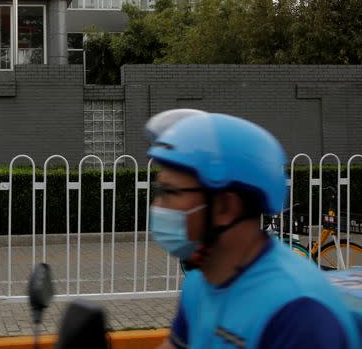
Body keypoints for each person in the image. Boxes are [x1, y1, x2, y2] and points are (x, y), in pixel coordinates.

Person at [146, 110, 361, 349]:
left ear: (225, 207)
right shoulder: (200, 281)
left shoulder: (299, 314)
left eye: (170, 192)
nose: (158, 206)